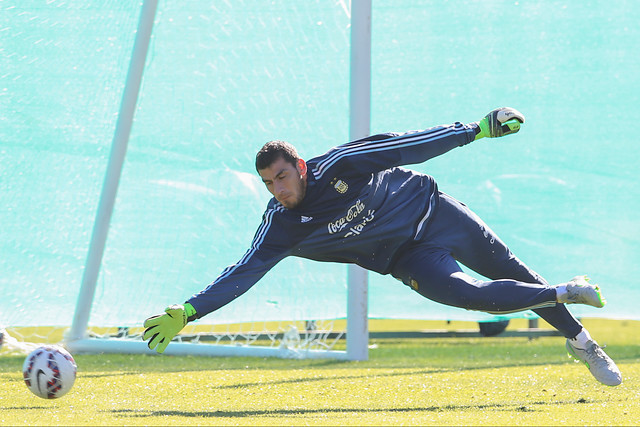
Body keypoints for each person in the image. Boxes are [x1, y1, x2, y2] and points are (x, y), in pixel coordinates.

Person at [143, 107, 622, 386]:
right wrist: (188, 311)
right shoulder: (281, 225)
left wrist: (475, 130)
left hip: (434, 215)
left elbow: (406, 145)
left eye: (282, 177)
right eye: (268, 184)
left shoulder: (341, 165)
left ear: (302, 167)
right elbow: (242, 273)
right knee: (474, 297)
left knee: (512, 269)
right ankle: (566, 290)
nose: (278, 190)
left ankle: (583, 343)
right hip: (407, 259)